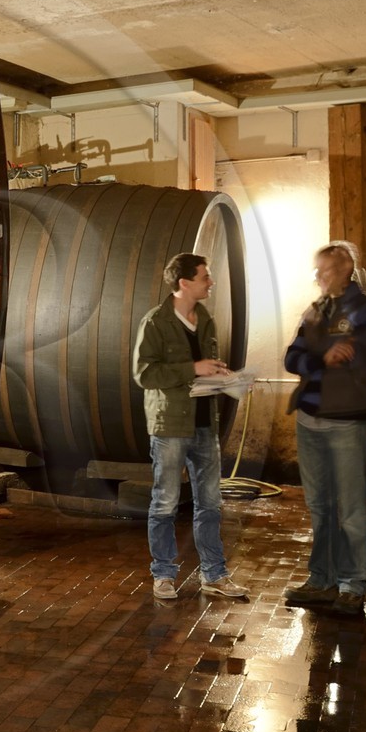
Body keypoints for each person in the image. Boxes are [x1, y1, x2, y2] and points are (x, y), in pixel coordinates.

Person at [131, 253, 247, 601]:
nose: (211, 282)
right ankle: (164, 574)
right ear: (184, 283)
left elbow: (203, 368)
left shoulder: (206, 318)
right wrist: (193, 368)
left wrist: (222, 375)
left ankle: (214, 574)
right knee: (165, 503)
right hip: (169, 425)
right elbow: (144, 374)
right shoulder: (156, 321)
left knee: (210, 504)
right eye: (205, 277)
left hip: (204, 425)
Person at [282, 241, 366, 616]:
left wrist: (323, 352)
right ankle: (322, 580)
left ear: (345, 269)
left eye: (324, 269)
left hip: (345, 421)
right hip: (308, 419)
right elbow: (291, 357)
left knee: (350, 509)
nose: (317, 276)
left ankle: (352, 585)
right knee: (320, 506)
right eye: (317, 270)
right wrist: (322, 357)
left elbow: (355, 351)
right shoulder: (315, 311)